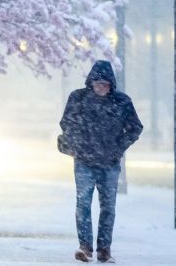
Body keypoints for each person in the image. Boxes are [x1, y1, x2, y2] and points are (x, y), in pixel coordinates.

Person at [58, 60, 143, 263]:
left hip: (109, 163)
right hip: (84, 161)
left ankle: (104, 249)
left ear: (111, 84)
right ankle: (85, 247)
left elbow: (135, 127)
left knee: (108, 207)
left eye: (105, 84)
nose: (101, 87)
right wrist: (77, 144)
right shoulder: (78, 99)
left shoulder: (122, 102)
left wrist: (117, 147)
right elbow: (66, 123)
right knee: (83, 204)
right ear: (91, 83)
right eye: (97, 83)